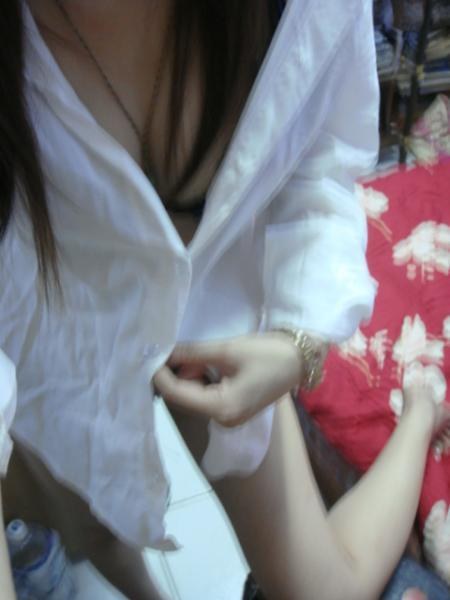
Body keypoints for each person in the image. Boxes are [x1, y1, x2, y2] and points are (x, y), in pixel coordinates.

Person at [1, 1, 449, 598]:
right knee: (96, 531)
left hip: (215, 314)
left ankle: (419, 415)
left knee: (321, 588)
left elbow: (323, 156)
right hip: (55, 324)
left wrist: (301, 341)